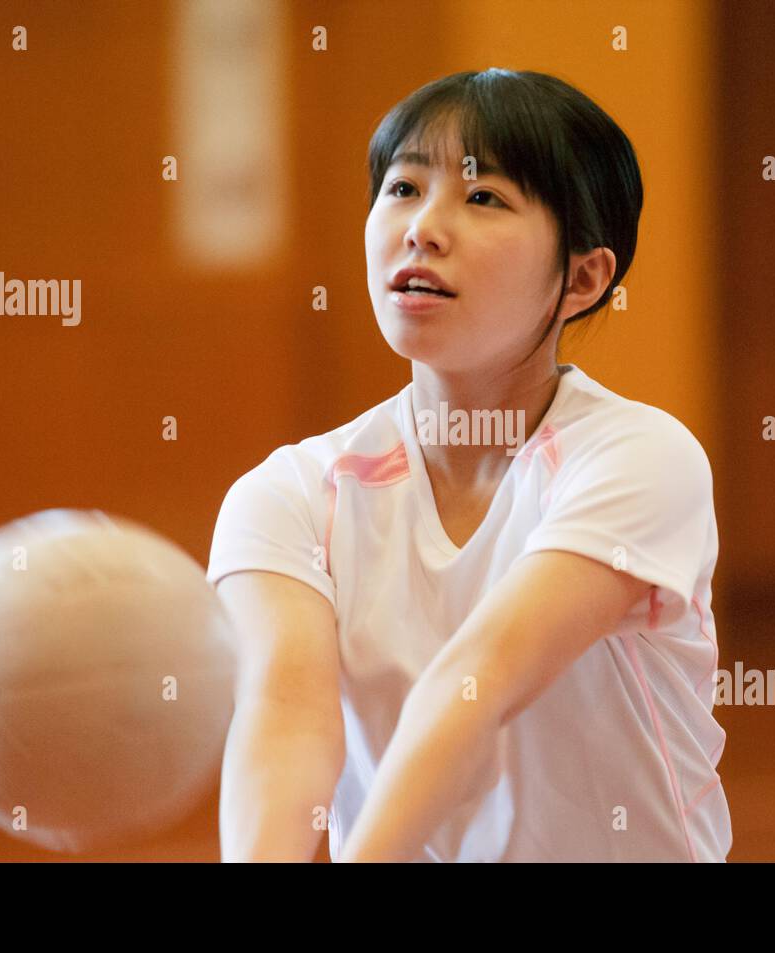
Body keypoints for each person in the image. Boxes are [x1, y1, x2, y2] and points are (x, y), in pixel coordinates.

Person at [207, 68, 731, 862]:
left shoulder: (641, 460)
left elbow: (473, 684)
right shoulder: (288, 495)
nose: (422, 227)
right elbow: (285, 717)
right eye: (403, 186)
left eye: (483, 198)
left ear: (584, 278)